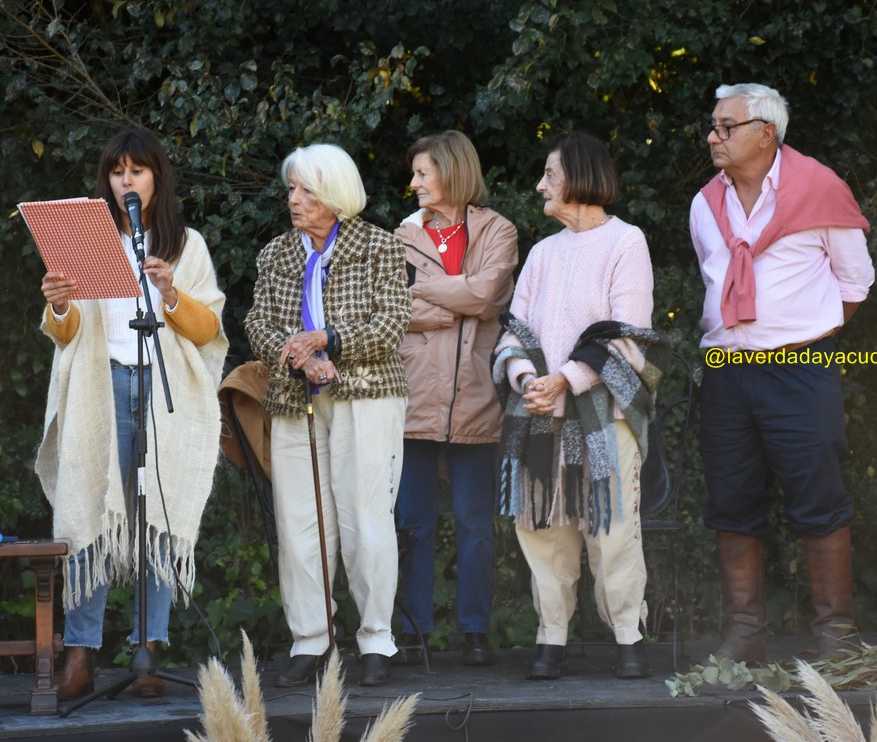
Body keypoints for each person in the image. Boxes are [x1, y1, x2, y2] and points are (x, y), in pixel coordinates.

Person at [35, 128, 229, 700]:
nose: (126, 180)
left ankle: (148, 651)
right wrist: (60, 304)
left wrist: (171, 293)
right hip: (100, 388)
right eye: (117, 171)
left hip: (165, 391)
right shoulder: (84, 239)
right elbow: (66, 333)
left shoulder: (186, 244)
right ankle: (80, 652)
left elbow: (208, 330)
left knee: (157, 514)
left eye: (137, 171)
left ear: (156, 179)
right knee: (88, 509)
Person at [690, 83, 873, 663]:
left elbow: (855, 283)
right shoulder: (705, 203)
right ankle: (744, 634)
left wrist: (802, 337)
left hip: (800, 369)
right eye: (713, 126)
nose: (713, 137)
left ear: (766, 133)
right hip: (726, 372)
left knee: (818, 495)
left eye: (726, 127)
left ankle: (837, 636)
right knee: (731, 499)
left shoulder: (819, 187)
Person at [494, 132, 669, 681]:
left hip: (604, 414)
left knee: (612, 528)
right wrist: (528, 380)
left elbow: (627, 336)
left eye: (550, 174)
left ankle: (628, 635)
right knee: (542, 526)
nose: (540, 185)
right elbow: (515, 331)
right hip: (540, 412)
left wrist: (564, 380)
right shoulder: (543, 252)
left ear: (580, 177)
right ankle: (552, 636)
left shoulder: (626, 242)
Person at [244, 143, 410, 688]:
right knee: (299, 524)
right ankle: (311, 640)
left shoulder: (379, 245)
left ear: (335, 195)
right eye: (291, 189)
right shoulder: (275, 253)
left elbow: (391, 324)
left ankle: (376, 639)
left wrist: (329, 341)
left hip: (367, 394)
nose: (293, 199)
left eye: (306, 190)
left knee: (365, 518)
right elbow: (258, 324)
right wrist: (300, 356)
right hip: (297, 396)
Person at [391, 131, 518, 668]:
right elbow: (393, 308)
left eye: (423, 173)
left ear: (452, 172)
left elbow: (487, 295)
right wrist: (459, 301)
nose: (414, 183)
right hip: (415, 396)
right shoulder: (402, 235)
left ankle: (475, 632)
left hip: (475, 396)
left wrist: (427, 292)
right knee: (412, 523)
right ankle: (412, 633)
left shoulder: (497, 229)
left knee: (475, 524)